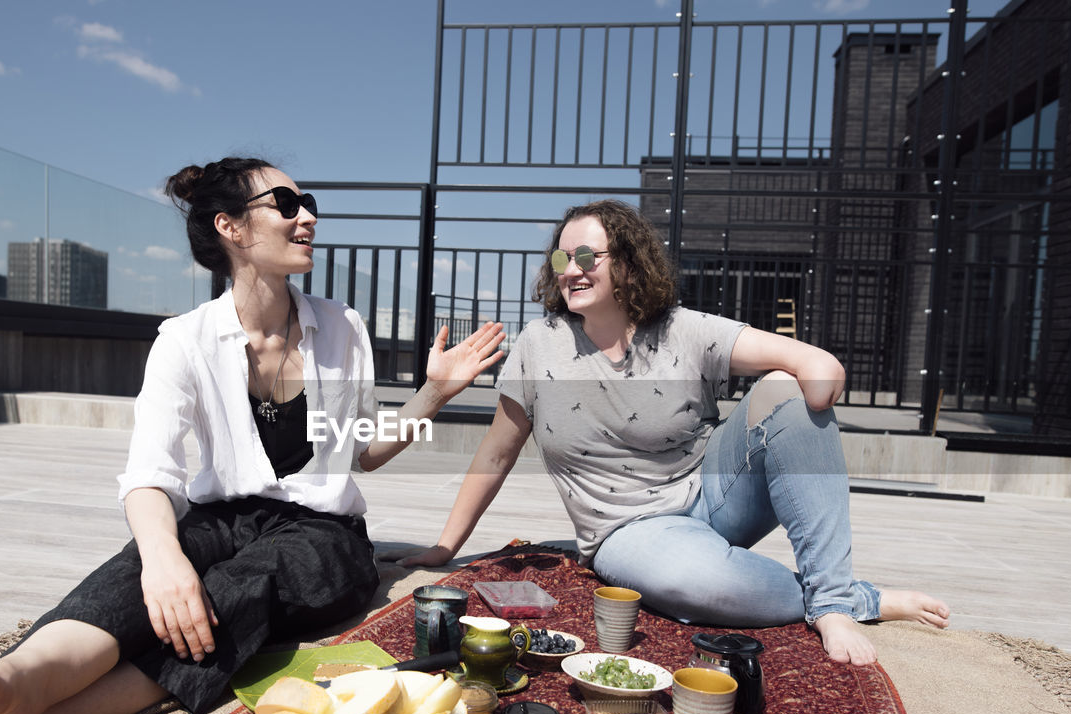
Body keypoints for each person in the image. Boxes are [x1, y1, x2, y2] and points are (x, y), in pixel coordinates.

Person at [0, 156, 505, 714]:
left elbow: (361, 450)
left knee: (231, 596)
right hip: (223, 515)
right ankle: (10, 685)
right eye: (286, 206)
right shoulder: (184, 339)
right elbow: (149, 472)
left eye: (306, 202)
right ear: (231, 228)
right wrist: (163, 558)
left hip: (324, 534)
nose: (307, 217)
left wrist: (434, 393)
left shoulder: (343, 327)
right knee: (139, 576)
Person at [399, 199, 949, 665]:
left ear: (630, 263)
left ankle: (831, 602)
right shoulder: (538, 347)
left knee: (785, 388)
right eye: (562, 256)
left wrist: (814, 390)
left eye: (587, 255)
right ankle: (862, 597)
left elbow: (815, 366)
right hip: (628, 530)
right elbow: (496, 454)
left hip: (713, 497)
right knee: (701, 586)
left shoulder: (685, 331)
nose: (571, 269)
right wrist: (446, 546)